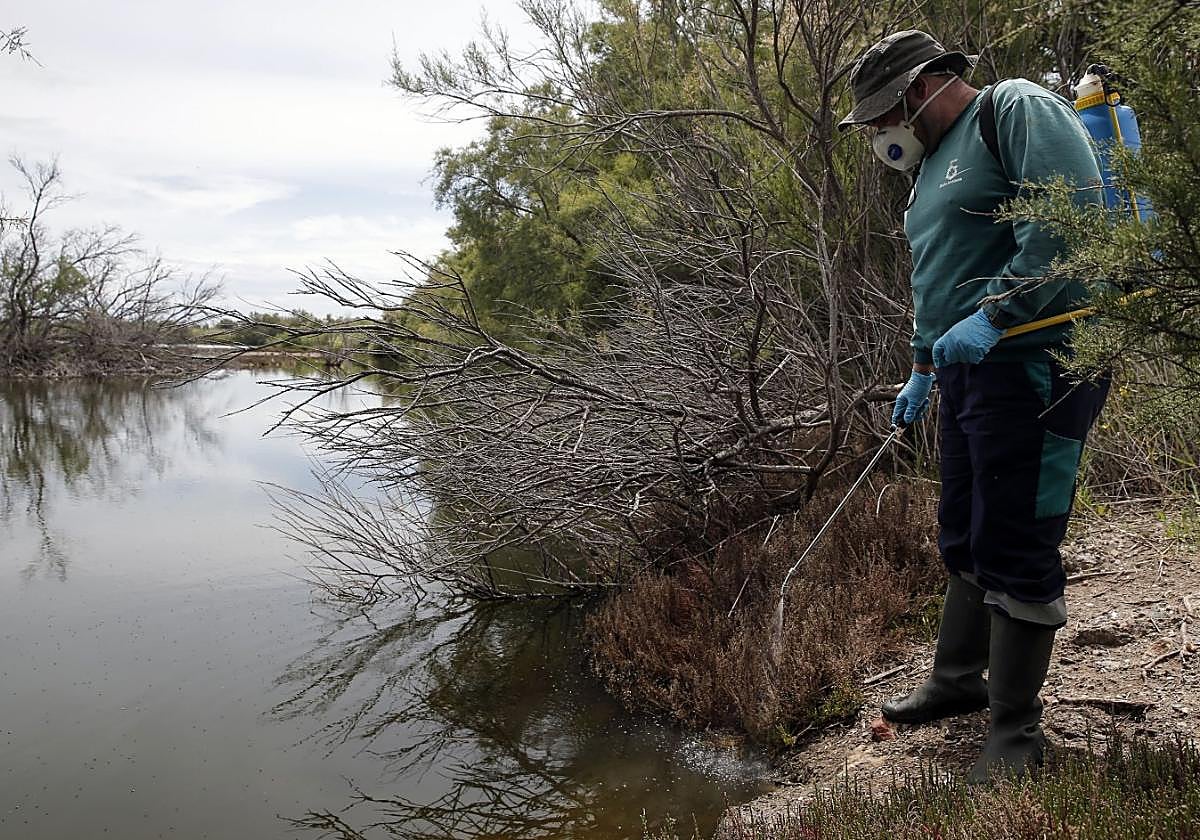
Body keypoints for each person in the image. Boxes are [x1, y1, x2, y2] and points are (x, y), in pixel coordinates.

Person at [838, 30, 1110, 783]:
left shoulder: (1012, 109)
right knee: (964, 529)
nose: (877, 135)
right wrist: (921, 367)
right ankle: (958, 682)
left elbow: (1068, 224)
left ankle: (1017, 733)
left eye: (879, 117)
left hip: (1034, 365)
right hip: (964, 380)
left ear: (918, 90)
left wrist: (995, 314)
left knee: (1019, 538)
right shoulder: (925, 176)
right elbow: (938, 279)